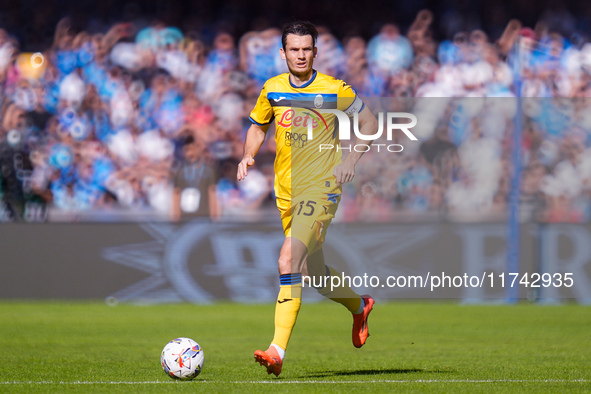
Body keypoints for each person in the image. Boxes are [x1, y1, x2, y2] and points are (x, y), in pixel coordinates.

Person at [237, 21, 378, 377]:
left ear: (316, 52)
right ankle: (359, 305)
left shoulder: (334, 89)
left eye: (307, 49)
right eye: (294, 49)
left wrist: (350, 159)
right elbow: (258, 125)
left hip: (321, 189)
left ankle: (276, 350)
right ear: (282, 53)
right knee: (315, 275)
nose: (301, 55)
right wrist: (248, 154)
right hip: (286, 193)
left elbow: (371, 123)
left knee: (288, 260)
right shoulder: (272, 88)